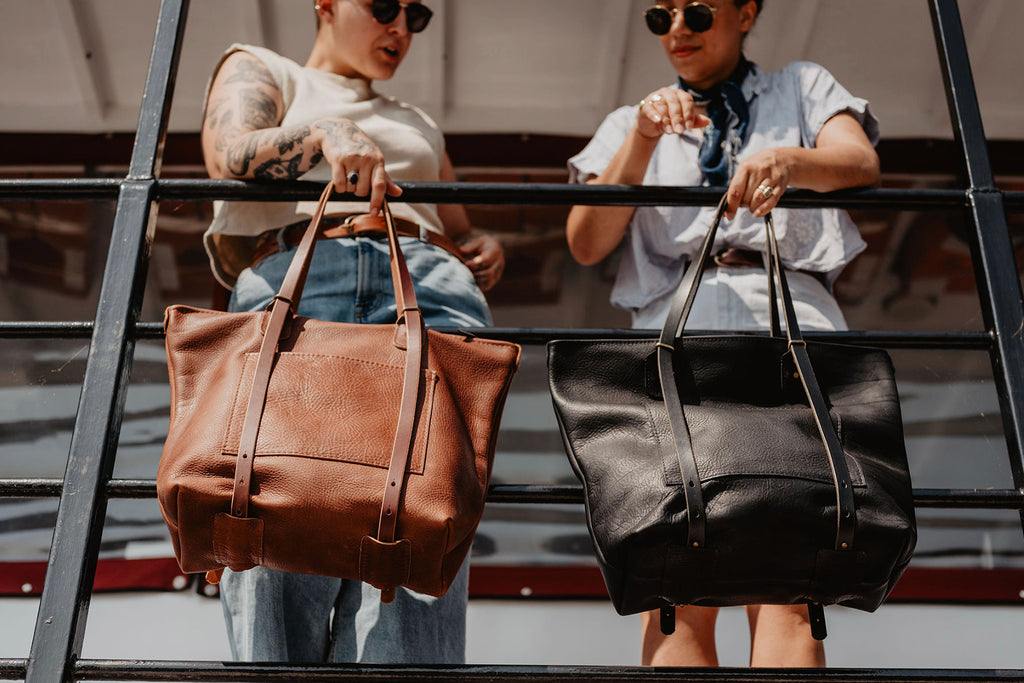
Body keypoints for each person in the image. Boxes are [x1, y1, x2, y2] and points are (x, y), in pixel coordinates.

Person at [566, 0, 880, 668]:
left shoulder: (800, 87)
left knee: (792, 589)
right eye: (661, 17)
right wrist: (644, 140)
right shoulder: (632, 120)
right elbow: (586, 242)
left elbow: (858, 162)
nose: (677, 29)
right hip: (676, 336)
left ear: (745, 12)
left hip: (790, 323)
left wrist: (789, 162)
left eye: (697, 12)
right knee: (676, 584)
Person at [198, 0, 504, 664]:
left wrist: (478, 243)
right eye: (386, 7)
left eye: (416, 17)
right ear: (327, 5)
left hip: (424, 280)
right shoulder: (264, 68)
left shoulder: (417, 121)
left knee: (423, 516)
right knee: (269, 503)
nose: (401, 28)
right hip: (303, 278)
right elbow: (228, 155)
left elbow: (454, 218)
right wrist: (323, 132)